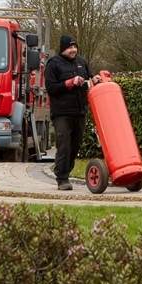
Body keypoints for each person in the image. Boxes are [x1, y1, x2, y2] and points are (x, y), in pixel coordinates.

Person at [44, 34, 101, 190]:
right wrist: (69, 83)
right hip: (61, 113)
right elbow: (51, 88)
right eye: (70, 47)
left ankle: (66, 171)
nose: (73, 50)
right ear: (63, 48)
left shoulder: (82, 63)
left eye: (75, 47)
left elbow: (89, 81)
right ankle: (62, 178)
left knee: (75, 146)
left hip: (79, 111)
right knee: (64, 145)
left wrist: (94, 80)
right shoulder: (53, 64)